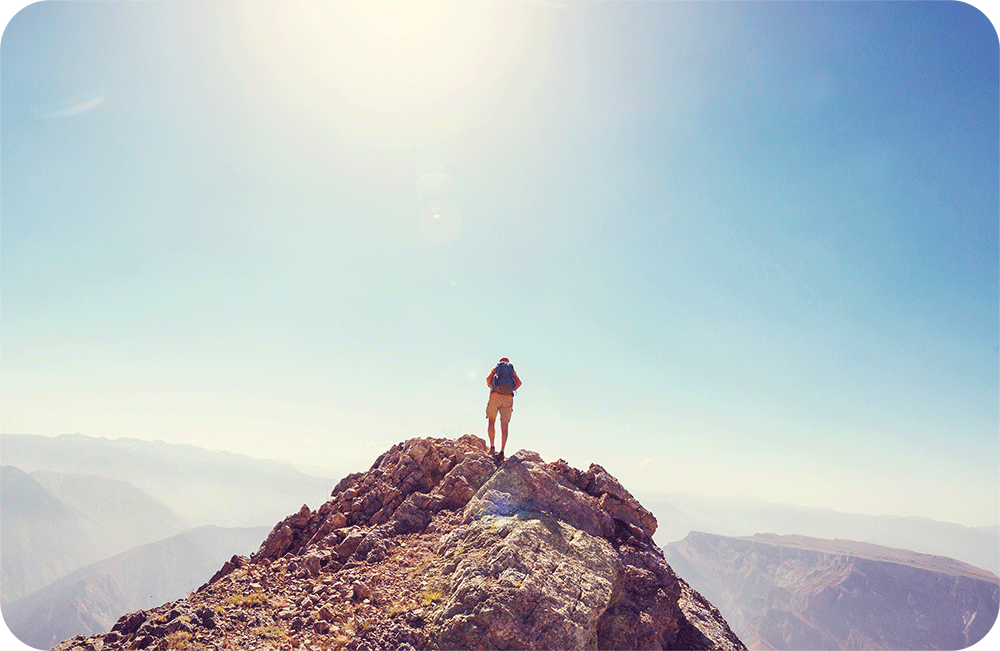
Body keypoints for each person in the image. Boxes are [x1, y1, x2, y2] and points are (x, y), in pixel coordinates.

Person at [485, 357, 522, 461]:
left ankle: (492, 448)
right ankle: (502, 452)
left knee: (491, 422)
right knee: (505, 426)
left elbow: (488, 379)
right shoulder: (512, 371)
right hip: (508, 399)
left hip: (495, 396)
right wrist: (510, 389)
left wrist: (494, 388)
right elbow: (519, 383)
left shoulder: (495, 368)